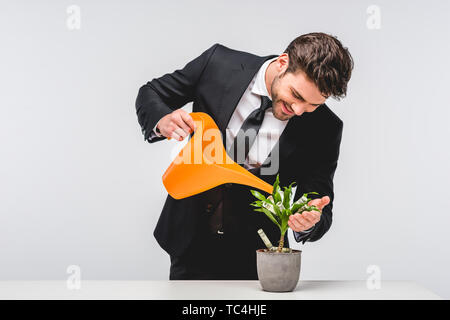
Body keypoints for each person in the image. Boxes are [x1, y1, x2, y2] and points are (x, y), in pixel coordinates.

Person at [135, 33, 353, 280]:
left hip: (258, 255)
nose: (300, 111)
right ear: (283, 63)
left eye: (313, 105)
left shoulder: (326, 127)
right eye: (297, 96)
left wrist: (310, 220)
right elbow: (151, 93)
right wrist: (162, 120)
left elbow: (317, 199)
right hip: (189, 237)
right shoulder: (218, 63)